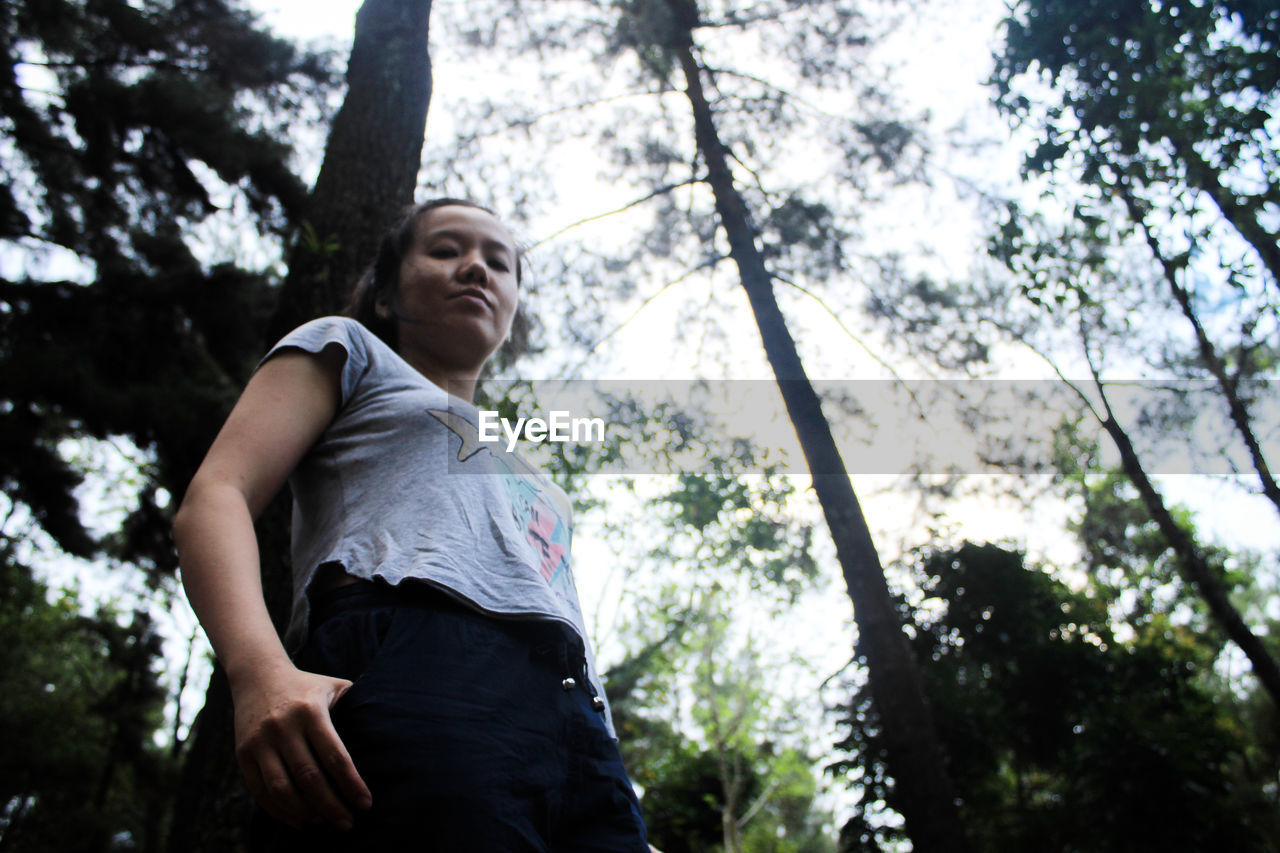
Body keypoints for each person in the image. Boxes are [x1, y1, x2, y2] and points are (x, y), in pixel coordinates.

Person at [172, 199, 652, 851]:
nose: (476, 269)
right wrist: (258, 672)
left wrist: (608, 780)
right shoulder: (351, 349)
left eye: (499, 261)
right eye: (447, 249)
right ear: (385, 295)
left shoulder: (528, 463)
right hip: (417, 664)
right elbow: (216, 494)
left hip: (578, 726)